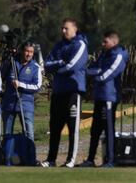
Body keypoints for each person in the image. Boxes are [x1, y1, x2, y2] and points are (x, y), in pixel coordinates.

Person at [41, 18, 88, 168]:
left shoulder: (80, 44)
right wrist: (60, 63)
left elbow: (73, 66)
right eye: (62, 28)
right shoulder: (58, 46)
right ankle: (51, 159)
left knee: (73, 127)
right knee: (55, 126)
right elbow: (46, 65)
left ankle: (70, 160)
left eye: (66, 28)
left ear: (75, 29)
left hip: (73, 92)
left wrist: (59, 68)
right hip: (58, 91)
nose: (63, 31)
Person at [78, 31, 129, 168]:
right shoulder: (104, 54)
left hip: (109, 96)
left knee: (108, 129)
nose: (102, 44)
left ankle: (110, 160)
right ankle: (90, 159)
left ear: (113, 42)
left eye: (105, 42)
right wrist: (97, 72)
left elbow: (107, 74)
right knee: (95, 130)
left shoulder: (119, 54)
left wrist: (97, 74)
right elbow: (92, 68)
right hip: (99, 95)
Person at [1, 42, 42, 142]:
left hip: (26, 104)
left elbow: (37, 86)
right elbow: (1, 76)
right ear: (22, 51)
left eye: (31, 52)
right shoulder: (11, 62)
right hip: (9, 103)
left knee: (29, 134)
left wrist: (21, 85)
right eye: (27, 51)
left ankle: (30, 156)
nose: (29, 54)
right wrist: (6, 59)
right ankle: (7, 155)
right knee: (7, 134)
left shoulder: (35, 67)